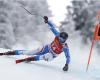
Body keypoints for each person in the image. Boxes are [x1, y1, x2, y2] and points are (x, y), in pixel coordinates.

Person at [0, 16, 70, 71]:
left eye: (62, 39)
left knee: (48, 55)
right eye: (60, 38)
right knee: (29, 52)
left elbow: (68, 57)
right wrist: (47, 21)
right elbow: (52, 27)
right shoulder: (57, 35)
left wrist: (66, 65)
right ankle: (11, 52)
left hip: (52, 55)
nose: (60, 39)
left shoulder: (65, 47)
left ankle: (31, 59)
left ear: (65, 40)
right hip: (46, 48)